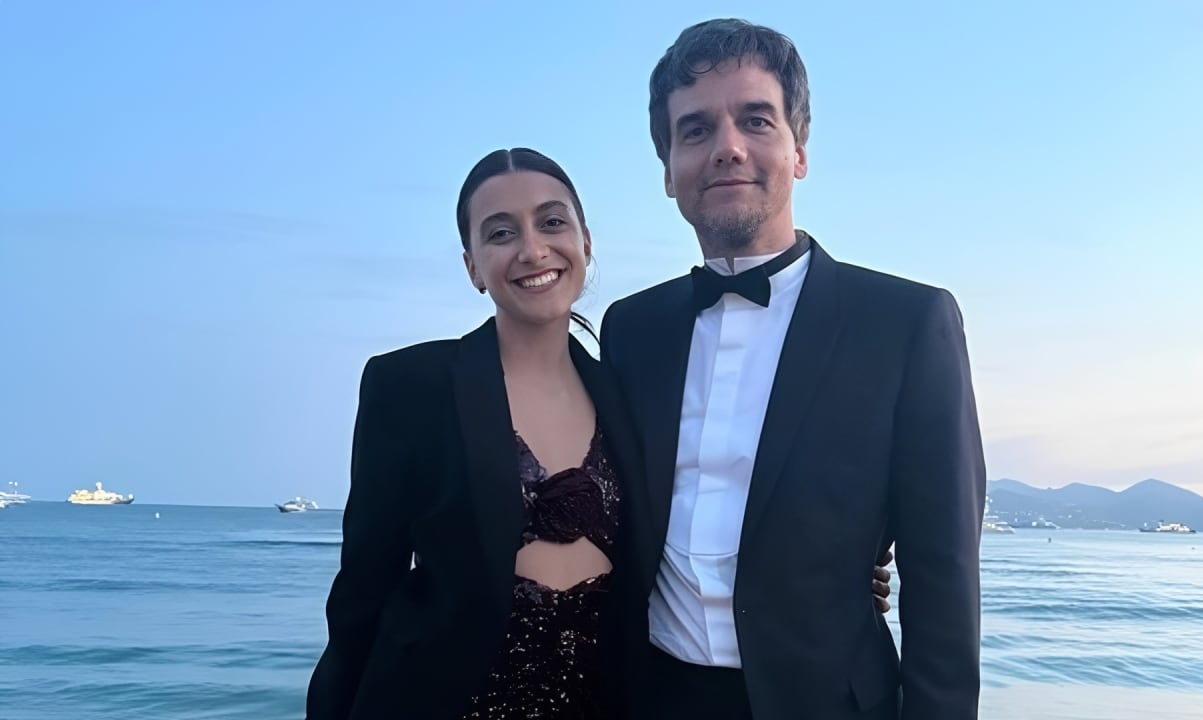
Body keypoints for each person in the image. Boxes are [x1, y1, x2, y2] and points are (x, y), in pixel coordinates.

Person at [305, 147, 897, 719]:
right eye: (501, 232)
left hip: (605, 703)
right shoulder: (411, 386)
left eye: (552, 222)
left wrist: (843, 571)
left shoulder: (627, 390)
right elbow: (361, 593)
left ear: (585, 243)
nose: (533, 249)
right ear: (472, 266)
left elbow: (718, 493)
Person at [600, 19, 986, 720]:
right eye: (695, 130)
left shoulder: (906, 324)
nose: (727, 149)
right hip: (649, 698)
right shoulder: (631, 329)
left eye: (755, 120)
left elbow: (943, 577)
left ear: (798, 150)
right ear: (667, 171)